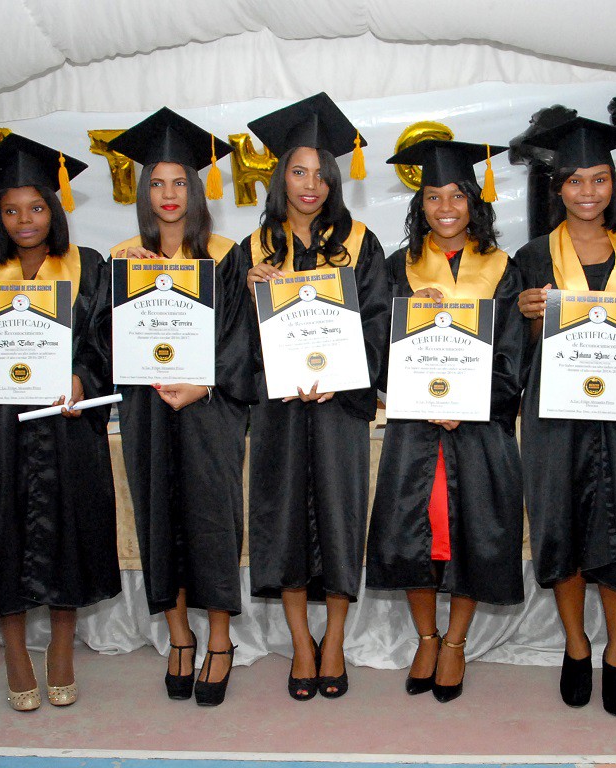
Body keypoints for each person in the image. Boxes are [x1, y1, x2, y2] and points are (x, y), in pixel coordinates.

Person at [0, 134, 121, 712]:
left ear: (54, 209)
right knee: (4, 538)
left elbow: (103, 343)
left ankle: (63, 649)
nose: (25, 221)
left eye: (36, 208)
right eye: (11, 210)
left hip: (66, 426)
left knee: (69, 536)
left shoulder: (88, 266)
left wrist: (83, 378)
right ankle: (15, 653)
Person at [515, 116, 616, 717]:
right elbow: (521, 350)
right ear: (558, 188)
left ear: (614, 183)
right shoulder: (533, 256)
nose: (587, 191)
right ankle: (576, 646)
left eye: (599, 179)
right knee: (562, 529)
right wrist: (528, 316)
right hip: (555, 416)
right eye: (574, 180)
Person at [240, 92, 391, 701]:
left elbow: (378, 323)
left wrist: (347, 377)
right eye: (298, 172)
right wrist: (248, 294)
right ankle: (302, 643)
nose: (310, 185)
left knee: (337, 520)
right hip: (278, 409)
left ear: (333, 181)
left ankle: (335, 642)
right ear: (281, 177)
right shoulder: (253, 250)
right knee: (283, 524)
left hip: (339, 407)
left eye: (321, 174)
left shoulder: (361, 244)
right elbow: (234, 342)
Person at [106, 107, 256, 706]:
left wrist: (206, 383)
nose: (169, 195)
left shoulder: (226, 255)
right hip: (146, 410)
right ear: (143, 194)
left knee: (213, 521)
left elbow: (242, 338)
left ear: (196, 189)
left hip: (209, 411)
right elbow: (104, 345)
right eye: (156, 184)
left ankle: (219, 640)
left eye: (179, 183)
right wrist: (124, 290)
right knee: (158, 516)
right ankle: (179, 637)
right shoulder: (122, 257)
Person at [366, 140, 525, 703]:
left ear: (474, 202)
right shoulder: (398, 268)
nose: (446, 207)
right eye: (433, 197)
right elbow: (377, 352)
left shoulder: (504, 268)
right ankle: (426, 638)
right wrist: (409, 317)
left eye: (457, 195)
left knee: (471, 535)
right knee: (413, 537)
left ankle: (455, 643)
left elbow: (513, 355)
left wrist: (472, 403)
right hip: (415, 429)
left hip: (478, 429)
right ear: (420, 205)